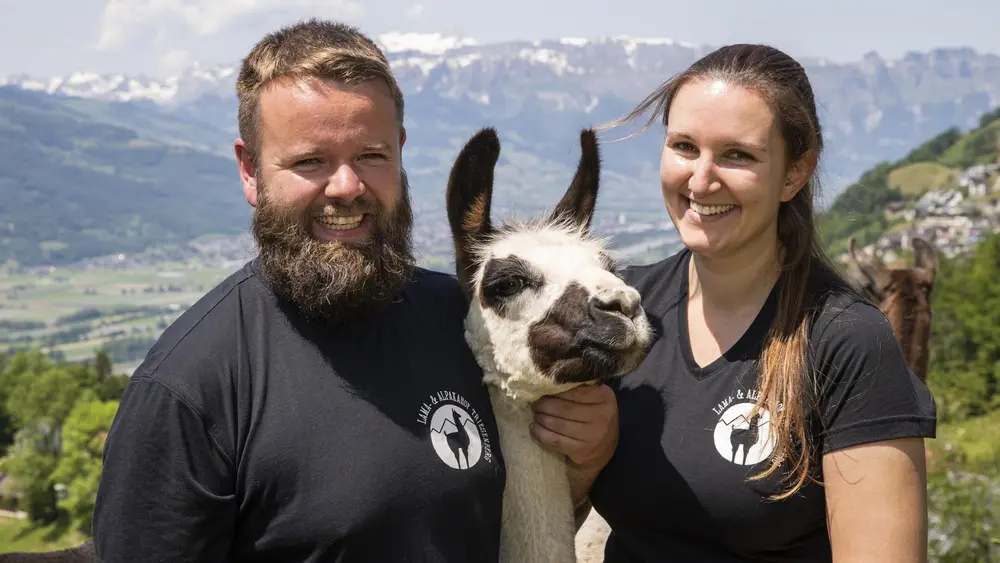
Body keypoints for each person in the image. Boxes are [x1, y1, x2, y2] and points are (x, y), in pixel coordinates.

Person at [91, 19, 509, 562]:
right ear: (250, 170)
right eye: (311, 161)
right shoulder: (190, 389)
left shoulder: (466, 322)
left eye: (372, 155)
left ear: (401, 153)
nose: (347, 187)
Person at [530, 44, 937, 562]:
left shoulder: (846, 341)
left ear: (795, 172)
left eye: (737, 155)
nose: (701, 180)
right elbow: (537, 527)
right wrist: (585, 464)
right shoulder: (622, 313)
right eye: (683, 147)